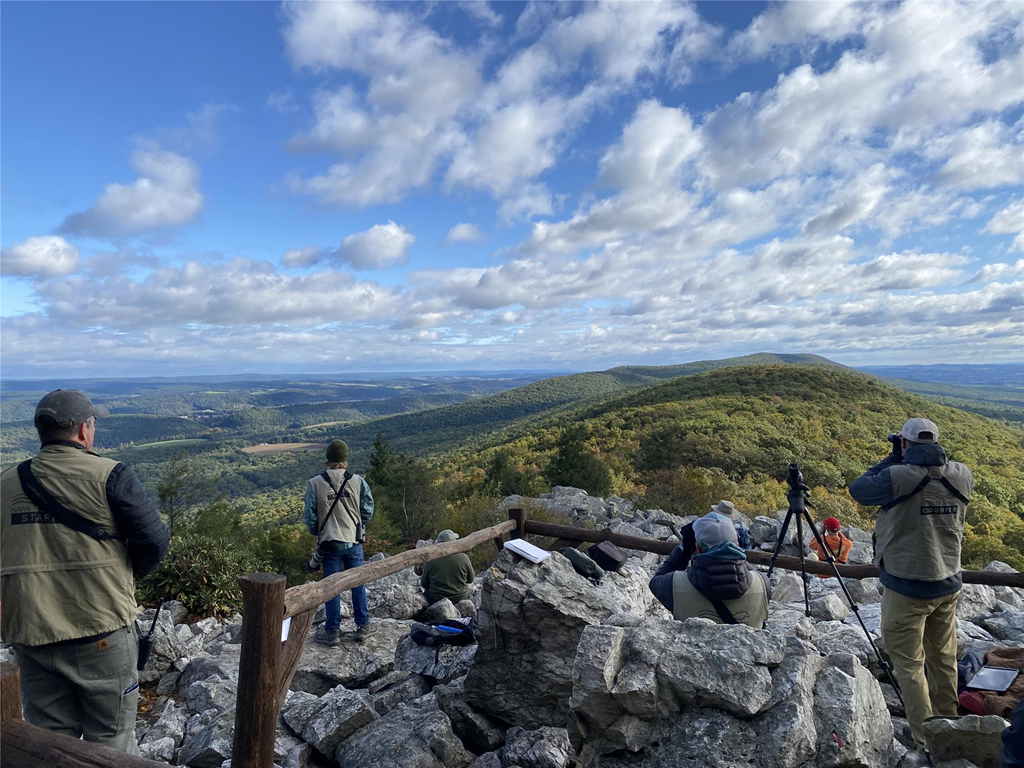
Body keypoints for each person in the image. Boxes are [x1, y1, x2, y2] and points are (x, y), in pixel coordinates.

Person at [0, 389, 169, 755]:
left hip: (31, 632)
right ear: (82, 431)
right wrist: (122, 575)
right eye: (92, 424)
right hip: (102, 628)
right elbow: (154, 540)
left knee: (49, 743)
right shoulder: (111, 475)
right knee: (113, 743)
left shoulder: (5, 482)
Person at [849, 417, 973, 755]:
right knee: (944, 658)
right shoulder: (962, 474)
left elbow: (859, 489)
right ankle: (951, 728)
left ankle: (928, 741)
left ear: (904, 443)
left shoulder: (898, 476)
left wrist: (894, 456)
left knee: (909, 665)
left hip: (906, 585)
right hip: (948, 582)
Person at [304, 440, 376, 645]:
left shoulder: (315, 483)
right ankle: (363, 626)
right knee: (357, 584)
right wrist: (358, 525)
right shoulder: (358, 481)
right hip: (353, 541)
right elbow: (368, 509)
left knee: (331, 588)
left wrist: (317, 532)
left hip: (329, 543)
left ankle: (332, 632)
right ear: (345, 458)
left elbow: (309, 517)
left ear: (328, 458)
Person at [649, 512, 770, 628]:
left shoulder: (673, 584)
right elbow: (750, 571)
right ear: (737, 545)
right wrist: (736, 555)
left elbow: (655, 582)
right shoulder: (763, 584)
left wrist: (684, 549)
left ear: (697, 548)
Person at [670, 500, 752, 572]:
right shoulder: (740, 530)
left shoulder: (702, 525)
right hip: (735, 569)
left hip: (703, 569)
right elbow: (747, 550)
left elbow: (685, 533)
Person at [420, 530, 475, 606]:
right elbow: (470, 579)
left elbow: (424, 584)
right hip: (460, 598)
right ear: (453, 542)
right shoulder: (464, 557)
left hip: (437, 599)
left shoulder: (431, 560)